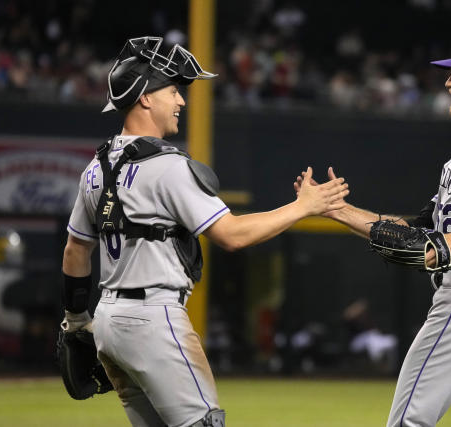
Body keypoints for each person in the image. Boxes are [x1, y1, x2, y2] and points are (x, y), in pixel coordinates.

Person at [60, 36, 348, 427]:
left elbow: (76, 251)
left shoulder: (96, 167)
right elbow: (232, 235)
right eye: (174, 91)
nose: (181, 101)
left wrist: (76, 319)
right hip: (154, 319)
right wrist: (302, 207)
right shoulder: (167, 166)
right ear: (145, 97)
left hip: (109, 323)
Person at [296, 34, 451, 427]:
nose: (448, 82)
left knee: (408, 421)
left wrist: (450, 244)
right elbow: (414, 228)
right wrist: (336, 209)